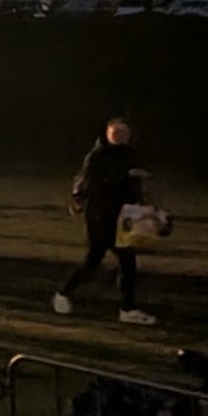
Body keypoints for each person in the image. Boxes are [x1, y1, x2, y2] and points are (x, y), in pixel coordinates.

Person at [55, 118, 154, 325]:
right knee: (118, 258)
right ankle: (127, 308)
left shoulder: (129, 154)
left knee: (102, 258)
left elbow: (130, 187)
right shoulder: (97, 156)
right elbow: (96, 185)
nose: (122, 137)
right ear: (108, 135)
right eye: (117, 133)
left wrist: (140, 202)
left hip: (119, 214)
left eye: (125, 133)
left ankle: (64, 294)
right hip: (100, 215)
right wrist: (126, 176)